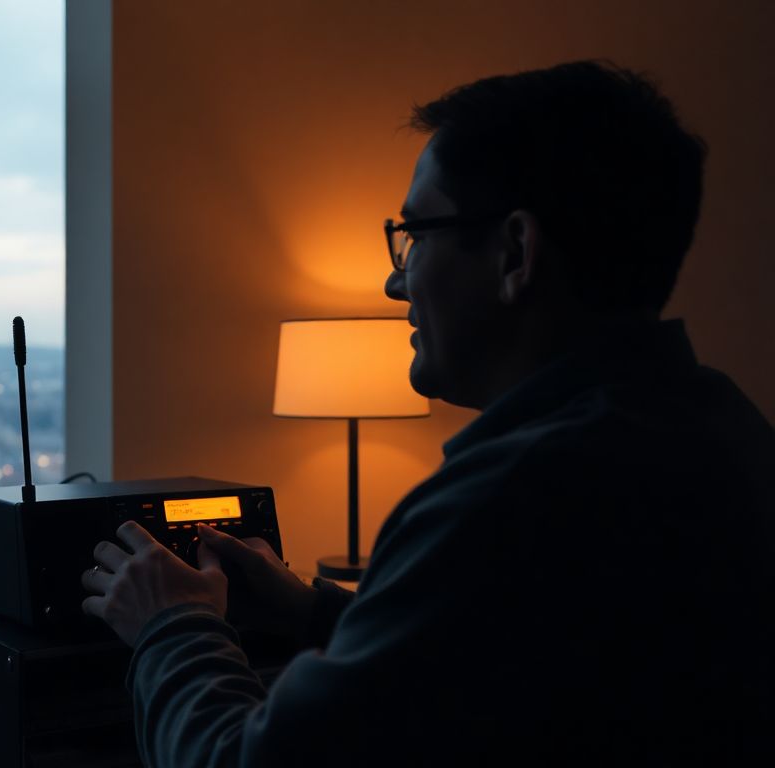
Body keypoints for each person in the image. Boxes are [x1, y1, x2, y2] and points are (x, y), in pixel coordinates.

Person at [81, 60, 775, 766]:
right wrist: (312, 613)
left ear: (514, 252)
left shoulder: (510, 497)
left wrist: (174, 625)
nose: (393, 279)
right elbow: (505, 660)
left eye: (415, 235)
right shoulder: (725, 429)